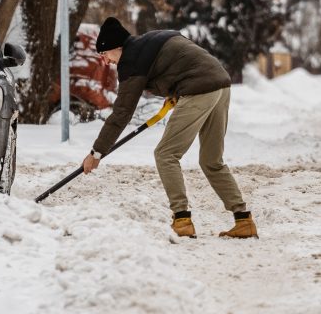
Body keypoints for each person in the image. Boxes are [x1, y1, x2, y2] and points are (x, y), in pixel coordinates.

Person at [81, 17, 257, 239]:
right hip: (220, 84)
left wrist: (96, 153)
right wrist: (175, 93)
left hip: (199, 89)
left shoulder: (131, 60)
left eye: (104, 54)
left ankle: (182, 219)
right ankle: (243, 221)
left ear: (116, 47)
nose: (105, 61)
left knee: (165, 154)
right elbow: (181, 61)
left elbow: (121, 114)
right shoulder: (151, 40)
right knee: (212, 160)